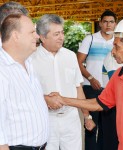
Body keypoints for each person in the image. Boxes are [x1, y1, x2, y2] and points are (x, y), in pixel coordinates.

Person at [49, 18, 123, 150]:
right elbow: (98, 103)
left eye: (116, 46)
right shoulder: (118, 76)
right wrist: (63, 100)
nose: (112, 52)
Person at [31, 14, 94, 150]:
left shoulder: (70, 56)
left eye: (62, 32)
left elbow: (78, 88)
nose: (62, 37)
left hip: (70, 118)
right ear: (42, 37)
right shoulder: (31, 59)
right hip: (46, 120)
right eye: (56, 34)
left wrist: (87, 116)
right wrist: (45, 99)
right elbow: (26, 92)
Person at [0, 14, 49, 150]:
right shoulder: (2, 68)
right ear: (16, 36)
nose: (37, 36)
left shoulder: (28, 62)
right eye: (32, 32)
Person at [77, 10, 117, 150]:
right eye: (105, 21)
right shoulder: (91, 39)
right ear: (100, 23)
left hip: (111, 90)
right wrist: (90, 78)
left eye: (111, 22)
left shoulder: (117, 41)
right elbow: (78, 62)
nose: (108, 25)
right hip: (91, 87)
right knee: (90, 125)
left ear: (115, 24)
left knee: (108, 127)